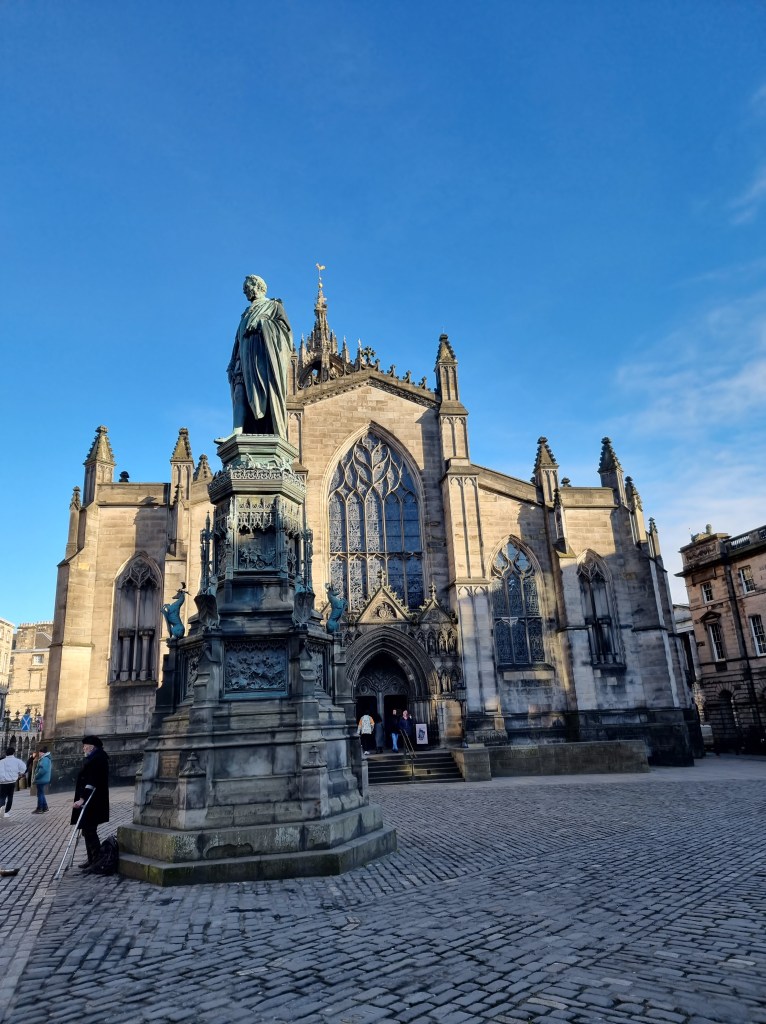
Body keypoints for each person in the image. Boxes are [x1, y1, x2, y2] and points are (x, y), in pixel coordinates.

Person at [225, 275, 293, 440]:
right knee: (239, 392)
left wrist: (263, 323)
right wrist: (233, 361)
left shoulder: (273, 306)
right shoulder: (245, 314)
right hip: (243, 359)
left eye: (246, 287)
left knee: (266, 396)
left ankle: (269, 429)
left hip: (262, 358)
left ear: (256, 286)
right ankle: (237, 430)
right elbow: (237, 341)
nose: (244, 291)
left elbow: (286, 334)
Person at [71, 735, 110, 870]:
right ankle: (92, 859)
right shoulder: (94, 757)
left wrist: (83, 799)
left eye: (85, 746)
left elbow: (92, 781)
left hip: (93, 801)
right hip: (91, 801)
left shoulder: (98, 759)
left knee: (90, 830)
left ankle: (97, 860)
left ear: (91, 747)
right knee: (87, 830)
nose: (83, 748)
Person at [0, 747, 28, 818]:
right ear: (13, 753)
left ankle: (0, 809)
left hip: (2, 782)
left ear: (6, 753)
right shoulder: (17, 761)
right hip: (12, 781)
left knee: (2, 797)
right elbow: (24, 768)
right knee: (10, 797)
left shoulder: (2, 761)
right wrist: (20, 773)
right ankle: (6, 812)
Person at [31, 746, 52, 814]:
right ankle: (45, 807)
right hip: (43, 778)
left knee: (40, 794)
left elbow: (43, 770)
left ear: (43, 753)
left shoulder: (45, 759)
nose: (39, 754)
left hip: (41, 779)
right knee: (41, 793)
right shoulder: (45, 758)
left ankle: (39, 808)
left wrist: (36, 776)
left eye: (40, 752)